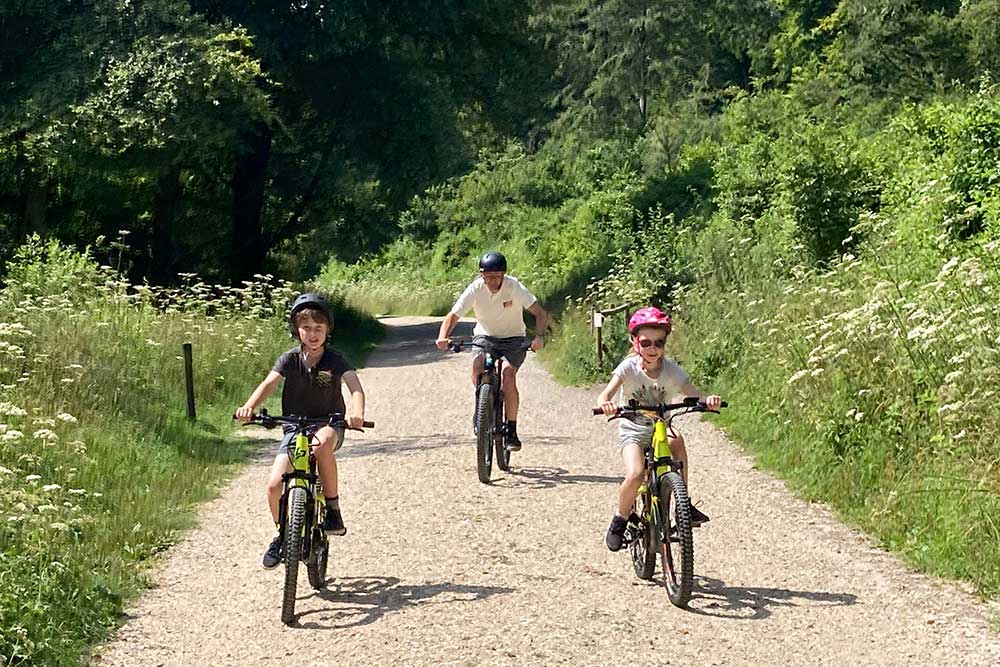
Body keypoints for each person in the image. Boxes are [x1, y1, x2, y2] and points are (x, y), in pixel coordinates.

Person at [236, 293, 366, 569]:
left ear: (328, 329)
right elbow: (268, 384)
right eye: (306, 328)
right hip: (295, 427)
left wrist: (357, 413)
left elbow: (355, 387)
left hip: (329, 423)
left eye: (319, 328)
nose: (313, 333)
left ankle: (332, 509)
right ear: (297, 330)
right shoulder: (289, 359)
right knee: (273, 486)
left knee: (320, 446)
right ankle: (283, 536)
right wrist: (248, 407)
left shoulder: (335, 359)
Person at [594, 306, 721, 552]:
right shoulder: (628, 368)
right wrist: (606, 404)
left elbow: (694, 394)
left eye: (659, 343)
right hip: (633, 428)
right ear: (635, 342)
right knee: (635, 474)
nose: (653, 349)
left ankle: (683, 504)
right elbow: (605, 394)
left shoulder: (672, 370)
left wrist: (707, 401)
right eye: (646, 342)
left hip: (661, 426)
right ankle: (619, 519)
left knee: (677, 441)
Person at [435, 251, 550, 450]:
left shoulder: (514, 287)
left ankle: (512, 430)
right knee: (478, 365)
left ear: (504, 274)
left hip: (513, 339)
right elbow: (452, 316)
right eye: (489, 277)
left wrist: (539, 336)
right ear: (482, 275)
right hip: (485, 337)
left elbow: (540, 313)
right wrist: (442, 337)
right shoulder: (475, 288)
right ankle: (482, 405)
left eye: (498, 276)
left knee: (508, 374)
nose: (494, 281)